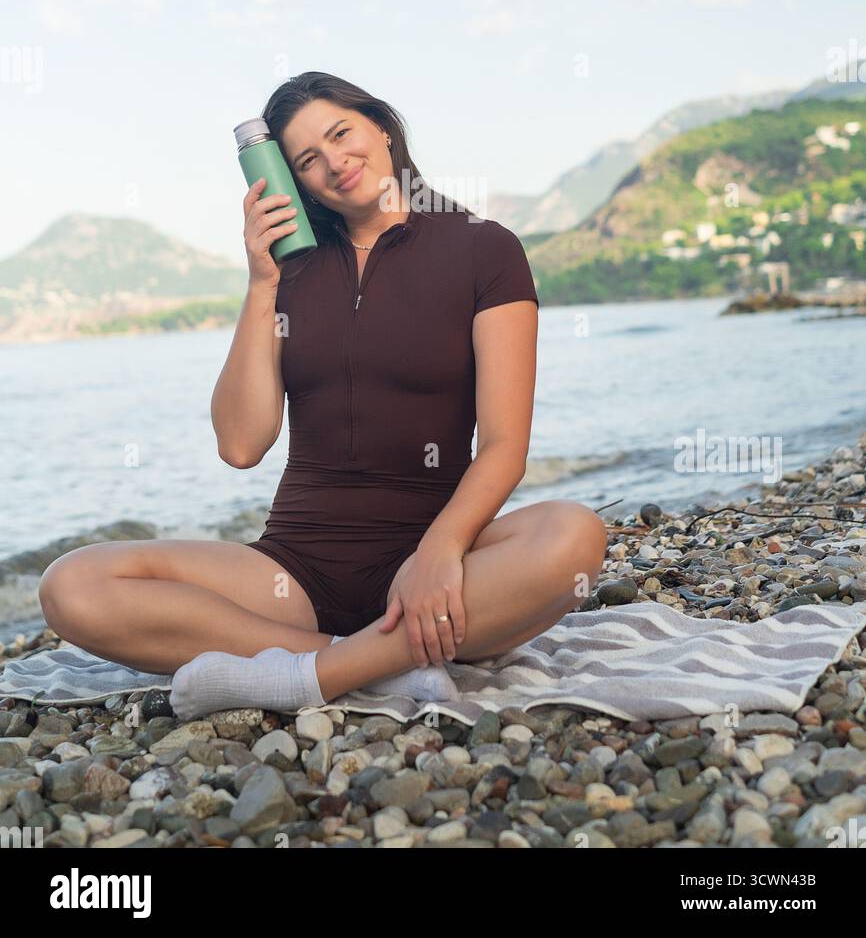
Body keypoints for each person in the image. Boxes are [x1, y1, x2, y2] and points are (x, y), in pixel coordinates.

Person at [38, 72, 607, 718]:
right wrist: (260, 284)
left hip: (434, 563)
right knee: (73, 585)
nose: (334, 163)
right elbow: (240, 444)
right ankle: (367, 663)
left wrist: (440, 552)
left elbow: (505, 446)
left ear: (383, 129)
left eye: (341, 133)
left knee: (574, 537)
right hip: (294, 573)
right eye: (307, 159)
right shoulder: (291, 271)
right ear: (293, 179)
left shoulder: (485, 249)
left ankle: (306, 672)